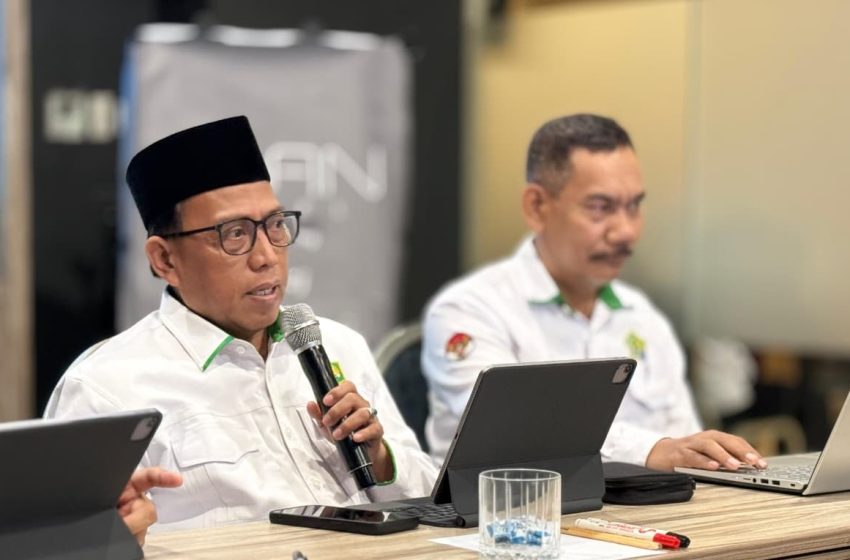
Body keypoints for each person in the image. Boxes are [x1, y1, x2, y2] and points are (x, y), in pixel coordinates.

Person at [46, 116, 437, 531]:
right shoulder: (106, 388)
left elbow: (434, 502)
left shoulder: (338, 345)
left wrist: (380, 459)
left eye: (275, 225)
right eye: (234, 234)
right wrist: (120, 539)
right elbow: (62, 542)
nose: (266, 256)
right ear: (165, 259)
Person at [422, 113, 767, 473]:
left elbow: (685, 451)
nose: (625, 231)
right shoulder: (469, 310)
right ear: (537, 207)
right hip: (510, 508)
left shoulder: (641, 316)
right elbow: (515, 430)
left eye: (634, 206)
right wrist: (654, 450)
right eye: (601, 208)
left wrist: (712, 459)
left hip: (649, 508)